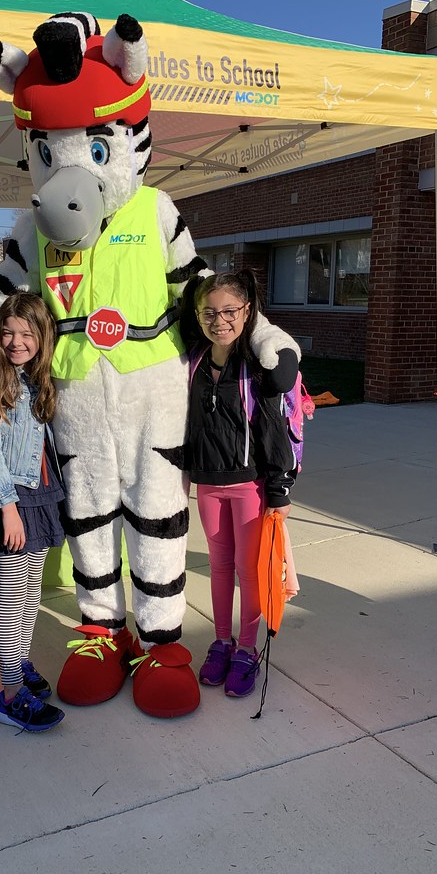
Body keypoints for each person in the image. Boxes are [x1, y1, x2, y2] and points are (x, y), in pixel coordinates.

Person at [181, 271, 299, 698]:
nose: (220, 321)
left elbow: (272, 428)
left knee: (250, 574)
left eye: (230, 311)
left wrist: (279, 490)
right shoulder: (192, 360)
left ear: (247, 311)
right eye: (209, 312)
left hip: (250, 486)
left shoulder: (255, 366)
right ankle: (222, 641)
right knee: (217, 568)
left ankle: (247, 649)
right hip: (209, 484)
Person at [0, 293, 66, 732]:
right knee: (12, 594)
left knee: (30, 591)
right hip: (10, 498)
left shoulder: (36, 378)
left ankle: (20, 665)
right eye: (8, 332)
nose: (17, 341)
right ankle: (8, 692)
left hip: (40, 492)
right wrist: (7, 509)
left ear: (42, 336)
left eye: (27, 333)